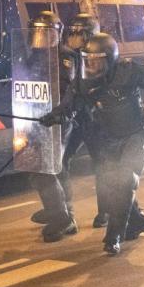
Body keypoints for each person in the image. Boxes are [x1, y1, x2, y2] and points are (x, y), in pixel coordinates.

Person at [42, 33, 144, 255]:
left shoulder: (128, 71)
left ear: (110, 60)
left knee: (125, 181)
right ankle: (138, 221)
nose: (91, 67)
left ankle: (113, 237)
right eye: (87, 61)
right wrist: (52, 117)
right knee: (112, 185)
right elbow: (68, 107)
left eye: (97, 61)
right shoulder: (81, 82)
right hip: (108, 138)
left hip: (136, 135)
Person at [30, 13, 110, 229]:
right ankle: (62, 210)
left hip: (93, 119)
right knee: (60, 162)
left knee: (102, 163)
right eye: (72, 32)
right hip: (73, 117)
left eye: (80, 33)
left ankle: (106, 211)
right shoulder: (63, 56)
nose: (74, 37)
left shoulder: (97, 55)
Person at [22, 12, 78, 243]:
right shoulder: (34, 57)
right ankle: (64, 211)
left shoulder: (64, 58)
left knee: (42, 169)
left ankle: (60, 218)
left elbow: (65, 91)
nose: (40, 38)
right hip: (36, 119)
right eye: (36, 33)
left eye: (45, 33)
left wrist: (56, 114)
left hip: (56, 121)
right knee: (55, 167)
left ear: (57, 34)